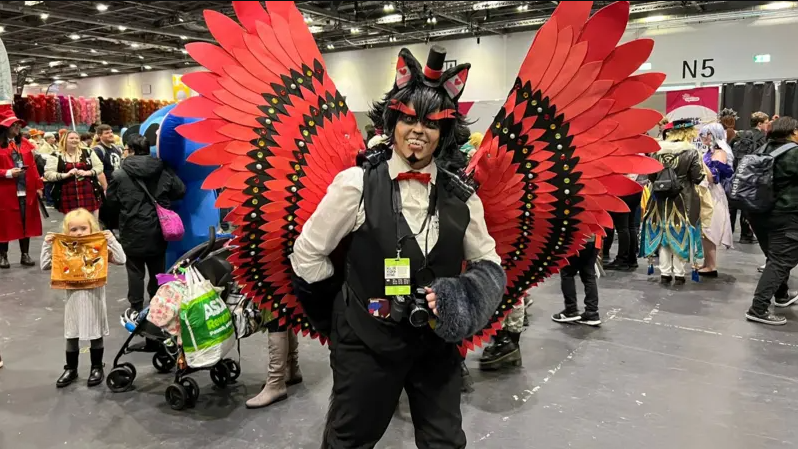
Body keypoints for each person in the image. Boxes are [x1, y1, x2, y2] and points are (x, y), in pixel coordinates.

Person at [291, 46, 505, 448]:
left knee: (445, 442)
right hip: (365, 344)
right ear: (393, 121)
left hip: (436, 346)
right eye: (408, 118)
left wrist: (463, 298)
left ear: (444, 133)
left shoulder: (462, 198)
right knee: (349, 439)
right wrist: (336, 317)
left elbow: (489, 262)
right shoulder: (355, 184)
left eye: (431, 122)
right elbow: (308, 252)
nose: (418, 130)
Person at [41, 208, 126, 387]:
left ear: (91, 229)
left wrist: (111, 240)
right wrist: (47, 245)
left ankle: (97, 367)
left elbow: (121, 259)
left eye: (83, 228)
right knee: (71, 335)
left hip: (94, 299)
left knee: (95, 334)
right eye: (73, 230)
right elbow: (45, 265)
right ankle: (71, 368)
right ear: (67, 232)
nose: (79, 233)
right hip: (72, 300)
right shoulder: (65, 252)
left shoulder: (98, 248)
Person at [105, 134, 185, 313]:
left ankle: (135, 308)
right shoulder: (163, 168)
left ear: (131, 150)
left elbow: (111, 203)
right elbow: (179, 190)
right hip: (158, 228)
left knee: (135, 271)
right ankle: (157, 305)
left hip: (131, 228)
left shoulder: (120, 174)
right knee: (158, 269)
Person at [745, 117, 798, 325]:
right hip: (785, 214)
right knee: (781, 259)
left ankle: (782, 295)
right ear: (793, 132)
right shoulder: (793, 153)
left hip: (758, 213)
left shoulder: (764, 149)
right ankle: (758, 308)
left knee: (775, 256)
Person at [640, 119, 706, 285]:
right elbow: (698, 177)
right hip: (684, 198)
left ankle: (664, 272)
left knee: (663, 233)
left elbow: (651, 176)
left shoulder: (658, 151)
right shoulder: (691, 151)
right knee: (681, 232)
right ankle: (679, 273)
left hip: (659, 198)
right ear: (687, 133)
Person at [0, 106, 44, 269]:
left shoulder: (24, 143)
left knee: (26, 221)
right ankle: (2, 255)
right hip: (5, 190)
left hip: (26, 189)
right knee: (4, 222)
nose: (17, 128)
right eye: (14, 125)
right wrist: (7, 173)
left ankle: (24, 254)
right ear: (4, 127)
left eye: (18, 125)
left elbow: (32, 166)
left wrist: (39, 185)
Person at [697, 123, 734, 277]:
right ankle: (707, 262)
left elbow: (714, 178)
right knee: (705, 229)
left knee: (709, 228)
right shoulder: (712, 152)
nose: (703, 137)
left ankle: (711, 265)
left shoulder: (719, 153)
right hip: (707, 193)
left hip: (713, 194)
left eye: (706, 134)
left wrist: (699, 162)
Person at [730, 111, 770, 244]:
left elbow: (730, 150)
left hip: (737, 171)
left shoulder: (740, 135)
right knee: (747, 205)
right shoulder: (762, 138)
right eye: (766, 122)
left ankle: (728, 234)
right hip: (752, 174)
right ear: (759, 124)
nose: (767, 125)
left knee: (732, 203)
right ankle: (746, 235)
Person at [44, 130, 104, 218]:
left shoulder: (88, 152)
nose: (74, 140)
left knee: (92, 224)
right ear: (64, 140)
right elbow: (48, 174)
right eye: (71, 138)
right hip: (67, 194)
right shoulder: (56, 155)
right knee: (72, 224)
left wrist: (87, 172)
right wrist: (66, 175)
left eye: (76, 138)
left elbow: (99, 167)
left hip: (89, 193)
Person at [552, 234, 601, 326]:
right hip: (594, 240)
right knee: (589, 275)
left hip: (576, 238)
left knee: (567, 273)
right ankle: (592, 312)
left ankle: (571, 310)